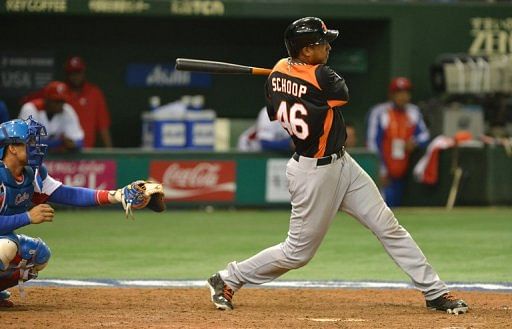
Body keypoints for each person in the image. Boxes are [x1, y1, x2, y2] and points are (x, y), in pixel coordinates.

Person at [206, 17, 468, 315]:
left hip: (343, 164)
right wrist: (306, 79)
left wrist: (295, 76)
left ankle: (434, 291)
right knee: (297, 253)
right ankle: (228, 278)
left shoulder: (277, 73)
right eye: (322, 43)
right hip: (314, 172)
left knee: (388, 226)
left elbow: (285, 89)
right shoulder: (320, 77)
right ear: (305, 52)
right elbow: (340, 92)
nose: (328, 47)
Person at [0, 117, 154, 307]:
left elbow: (69, 194)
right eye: (30, 141)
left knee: (38, 255)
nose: (36, 146)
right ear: (12, 147)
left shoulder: (33, 173)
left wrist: (116, 195)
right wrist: (28, 217)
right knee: (5, 247)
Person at [366, 77, 430, 207]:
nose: (403, 96)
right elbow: (372, 143)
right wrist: (380, 170)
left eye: (406, 93)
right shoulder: (380, 112)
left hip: (402, 171)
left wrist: (414, 142)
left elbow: (425, 135)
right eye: (399, 93)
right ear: (391, 95)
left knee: (399, 211)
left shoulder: (413, 111)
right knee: (382, 210)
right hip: (385, 172)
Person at [19, 81, 84, 153]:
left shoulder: (67, 110)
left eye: (62, 101)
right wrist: (60, 143)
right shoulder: (31, 108)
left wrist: (73, 144)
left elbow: (80, 141)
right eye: (56, 101)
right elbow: (28, 144)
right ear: (47, 99)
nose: (60, 105)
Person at [64, 56, 113, 148]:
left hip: (87, 151)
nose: (75, 77)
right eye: (72, 73)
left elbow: (103, 126)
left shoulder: (94, 93)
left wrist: (109, 151)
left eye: (78, 73)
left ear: (83, 73)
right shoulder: (61, 93)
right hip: (63, 152)